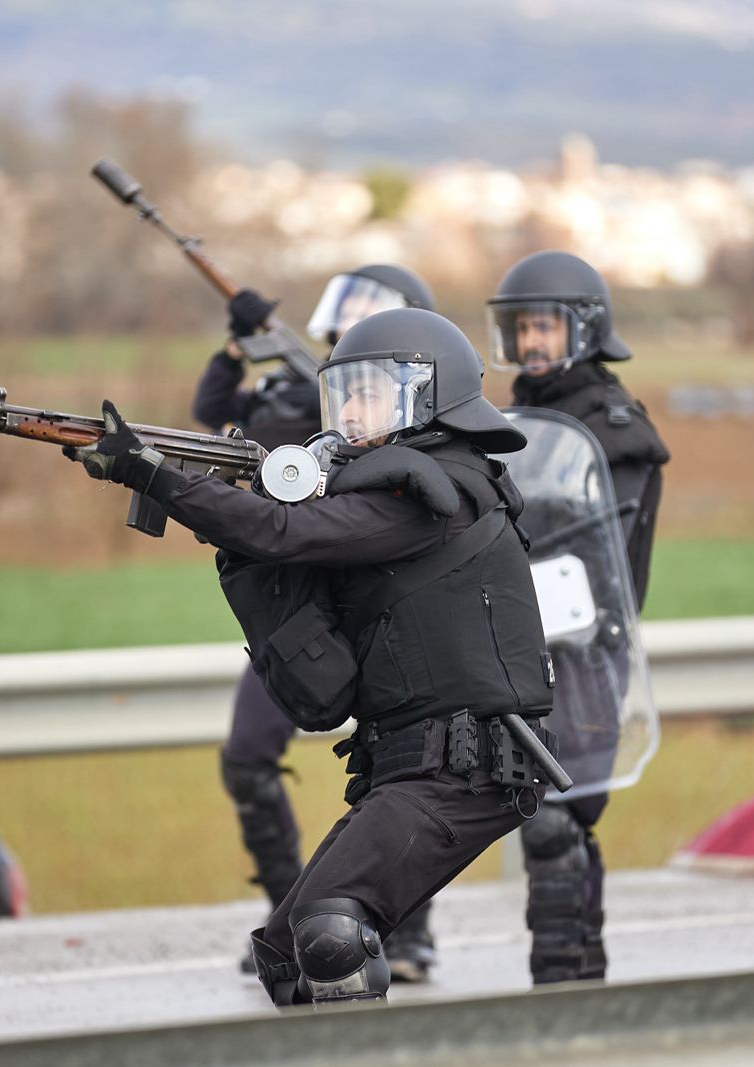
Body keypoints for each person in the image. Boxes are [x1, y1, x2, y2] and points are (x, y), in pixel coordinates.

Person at [68, 307, 556, 1006]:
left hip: (466, 767)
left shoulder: (439, 495)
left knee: (332, 928)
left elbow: (282, 532)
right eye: (345, 392)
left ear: (428, 393)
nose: (350, 410)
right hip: (410, 766)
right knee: (288, 954)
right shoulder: (386, 492)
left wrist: (154, 476)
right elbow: (287, 542)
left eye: (370, 392)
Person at [193, 264, 442, 981]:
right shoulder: (314, 389)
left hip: (379, 616)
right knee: (246, 759)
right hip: (300, 616)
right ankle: (293, 916)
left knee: (404, 784)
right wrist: (241, 346)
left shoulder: (395, 413)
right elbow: (222, 414)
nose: (344, 324)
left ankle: (406, 933)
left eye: (369, 313)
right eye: (345, 309)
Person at [486, 251, 669, 984]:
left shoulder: (613, 423)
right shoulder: (507, 418)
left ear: (584, 330)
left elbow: (597, 547)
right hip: (519, 641)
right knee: (555, 819)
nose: (531, 344)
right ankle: (582, 979)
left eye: (545, 328)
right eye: (521, 328)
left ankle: (560, 984)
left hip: (588, 650)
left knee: (557, 815)